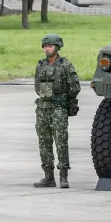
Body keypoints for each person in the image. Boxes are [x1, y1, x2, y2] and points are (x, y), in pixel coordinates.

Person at [33, 33, 81, 188]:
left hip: (58, 108)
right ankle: (48, 176)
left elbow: (75, 87)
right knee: (44, 142)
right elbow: (36, 86)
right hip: (42, 109)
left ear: (57, 47)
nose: (47, 49)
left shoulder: (65, 66)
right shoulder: (40, 65)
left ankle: (63, 176)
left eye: (50, 46)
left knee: (61, 141)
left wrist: (64, 101)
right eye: (45, 46)